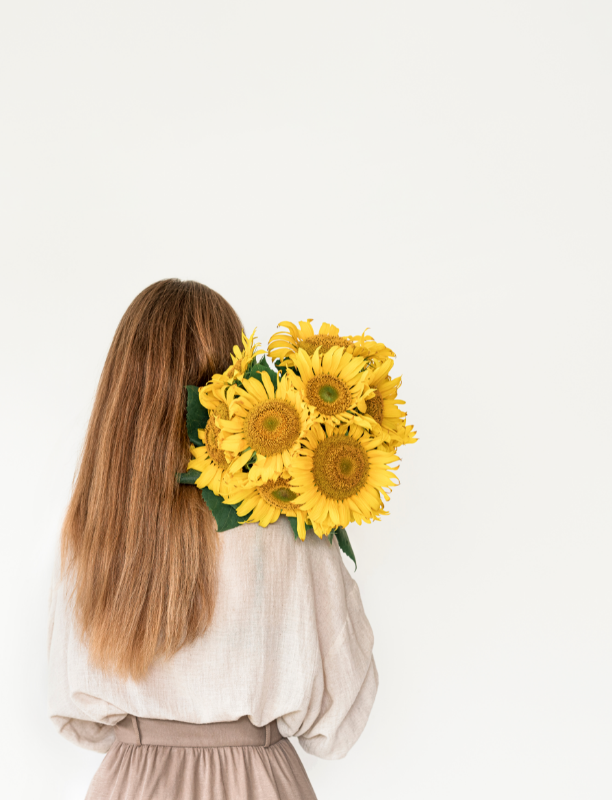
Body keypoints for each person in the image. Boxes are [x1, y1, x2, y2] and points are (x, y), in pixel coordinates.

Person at [46, 279, 378, 800]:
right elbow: (339, 715)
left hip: (135, 784)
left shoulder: (95, 530)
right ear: (236, 379)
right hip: (259, 782)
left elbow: (77, 712)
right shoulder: (290, 519)